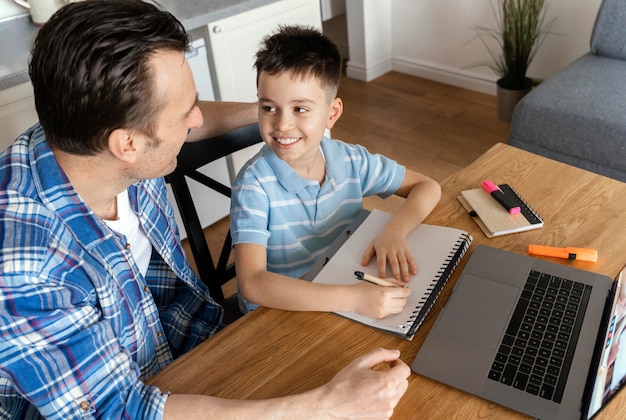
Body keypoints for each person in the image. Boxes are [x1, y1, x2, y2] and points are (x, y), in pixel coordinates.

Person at [0, 1, 410, 419]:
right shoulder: (23, 267)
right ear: (128, 145)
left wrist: (281, 112)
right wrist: (326, 406)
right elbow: (121, 411)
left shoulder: (85, 131)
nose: (198, 119)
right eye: (185, 112)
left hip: (195, 349)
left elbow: (197, 121)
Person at [230, 25, 442, 317]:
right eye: (269, 108)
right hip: (281, 313)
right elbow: (253, 284)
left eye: (300, 109)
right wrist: (353, 300)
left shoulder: (351, 160)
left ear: (332, 113)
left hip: (342, 286)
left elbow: (428, 186)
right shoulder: (253, 185)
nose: (282, 125)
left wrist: (394, 231)